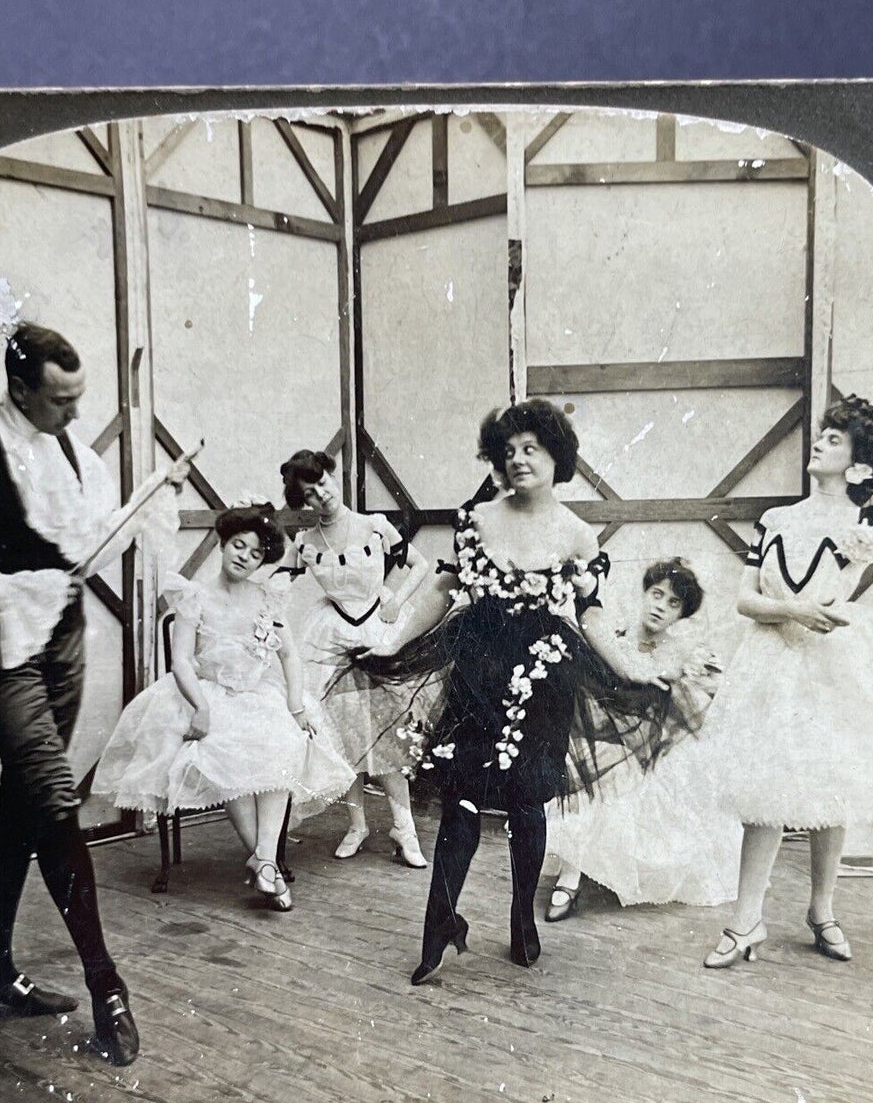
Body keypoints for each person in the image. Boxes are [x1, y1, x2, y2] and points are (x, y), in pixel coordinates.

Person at [0, 322, 189, 1066]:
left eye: (79, 399)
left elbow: (91, 543)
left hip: (60, 641)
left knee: (22, 804)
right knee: (55, 798)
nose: (73, 415)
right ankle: (106, 984)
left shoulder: (67, 449)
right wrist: (4, 584)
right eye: (60, 401)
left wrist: (150, 503)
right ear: (19, 388)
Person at [327, 399, 689, 986]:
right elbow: (443, 590)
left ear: (556, 458)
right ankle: (438, 924)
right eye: (509, 451)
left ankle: (523, 919)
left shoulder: (576, 534)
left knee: (527, 801)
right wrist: (392, 642)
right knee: (461, 799)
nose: (519, 460)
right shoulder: (477, 519)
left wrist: (625, 670)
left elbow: (591, 614)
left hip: (542, 673)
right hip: (479, 665)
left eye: (532, 449)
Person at [700, 395, 873, 969]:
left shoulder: (865, 522)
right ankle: (745, 921)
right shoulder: (776, 519)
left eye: (834, 439)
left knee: (831, 785)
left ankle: (821, 911)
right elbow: (746, 600)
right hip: (773, 660)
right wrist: (793, 611)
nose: (820, 442)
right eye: (821, 436)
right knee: (765, 790)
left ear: (856, 464)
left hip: (834, 664)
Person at [92, 502, 354, 911]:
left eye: (255, 554)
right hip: (208, 693)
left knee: (285, 741)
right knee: (222, 749)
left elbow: (289, 656)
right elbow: (180, 661)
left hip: (257, 693)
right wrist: (199, 706)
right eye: (238, 546)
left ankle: (264, 861)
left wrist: (294, 704)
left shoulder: (267, 596)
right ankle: (267, 866)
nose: (244, 558)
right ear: (223, 542)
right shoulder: (194, 596)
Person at [545, 557, 740, 917]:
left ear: (681, 614)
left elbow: (706, 700)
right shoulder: (613, 635)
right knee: (592, 765)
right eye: (657, 594)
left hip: (652, 744)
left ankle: (594, 871)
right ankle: (570, 877)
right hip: (606, 735)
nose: (660, 607)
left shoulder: (685, 653)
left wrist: (680, 681)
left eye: (672, 603)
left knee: (648, 776)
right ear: (645, 593)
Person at [278, 449, 429, 867]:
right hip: (329, 640)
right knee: (341, 736)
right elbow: (279, 584)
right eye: (309, 494)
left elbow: (421, 564)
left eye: (323, 483)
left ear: (332, 476)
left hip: (377, 632)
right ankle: (358, 824)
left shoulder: (374, 527)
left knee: (386, 735)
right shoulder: (306, 544)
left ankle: (405, 828)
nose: (321, 495)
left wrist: (396, 599)